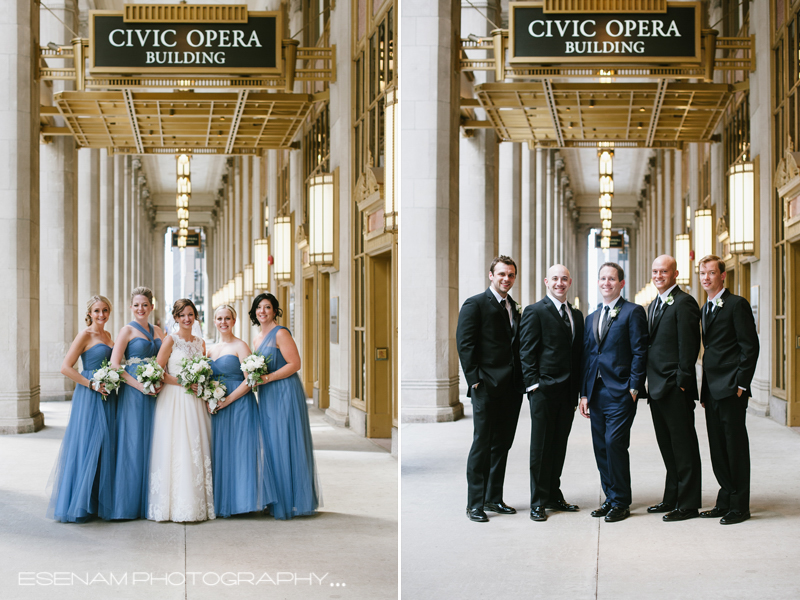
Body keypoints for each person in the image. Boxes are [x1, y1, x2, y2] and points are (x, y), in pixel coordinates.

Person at [456, 255, 524, 523]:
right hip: (486, 385)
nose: (506, 279)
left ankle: (494, 498)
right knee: (482, 445)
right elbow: (465, 344)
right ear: (491, 275)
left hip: (512, 387)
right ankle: (475, 503)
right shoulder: (475, 304)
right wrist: (475, 380)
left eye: (510, 275)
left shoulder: (514, 307)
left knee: (502, 445)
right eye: (501, 274)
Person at [579, 263, 648, 523]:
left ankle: (621, 501)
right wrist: (584, 394)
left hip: (621, 391)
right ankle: (610, 497)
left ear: (621, 283)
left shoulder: (633, 312)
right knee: (600, 446)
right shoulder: (592, 317)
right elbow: (588, 357)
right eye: (602, 278)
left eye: (611, 279)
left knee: (614, 443)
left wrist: (634, 387)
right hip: (596, 392)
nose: (606, 283)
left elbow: (640, 351)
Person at [697, 255, 759, 525]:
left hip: (732, 389)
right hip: (711, 389)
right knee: (717, 447)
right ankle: (725, 498)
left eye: (711, 273)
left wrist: (741, 384)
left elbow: (750, 346)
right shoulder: (705, 307)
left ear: (723, 276)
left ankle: (740, 506)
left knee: (735, 447)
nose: (706, 278)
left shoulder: (737, 304)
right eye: (703, 273)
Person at [519, 264, 584, 522]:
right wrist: (534, 385)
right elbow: (526, 351)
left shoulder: (576, 315)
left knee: (558, 446)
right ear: (547, 281)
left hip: (567, 393)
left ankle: (553, 494)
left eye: (564, 279)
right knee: (541, 448)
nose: (560, 283)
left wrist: (580, 392)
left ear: (570, 282)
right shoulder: (535, 311)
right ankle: (537, 501)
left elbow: (578, 354)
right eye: (555, 278)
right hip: (544, 392)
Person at [47, 295, 117, 522]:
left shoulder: (108, 335)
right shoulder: (85, 335)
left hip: (108, 395)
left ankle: (96, 501)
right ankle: (79, 504)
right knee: (87, 444)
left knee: (106, 445)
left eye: (105, 310)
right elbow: (66, 367)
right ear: (89, 313)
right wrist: (92, 384)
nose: (101, 315)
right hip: (89, 395)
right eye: (97, 311)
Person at [251, 292, 320, 519]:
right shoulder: (257, 338)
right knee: (271, 444)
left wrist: (268, 379)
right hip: (267, 393)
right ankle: (276, 498)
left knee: (285, 441)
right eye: (259, 308)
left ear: (275, 310)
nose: (263, 311)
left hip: (284, 392)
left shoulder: (280, 333)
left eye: (267, 307)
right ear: (254, 312)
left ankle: (292, 501)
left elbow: (295, 363)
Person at [146, 299, 215, 522]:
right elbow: (158, 372)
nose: (187, 319)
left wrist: (201, 384)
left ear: (195, 317)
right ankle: (171, 505)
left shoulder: (201, 343)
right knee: (176, 446)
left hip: (194, 401)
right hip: (174, 399)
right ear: (175, 318)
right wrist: (183, 382)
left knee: (194, 446)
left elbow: (205, 371)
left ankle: (195, 503)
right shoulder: (170, 341)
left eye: (190, 314)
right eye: (182, 315)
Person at [646, 254, 702, 521]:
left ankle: (689, 503)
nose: (658, 276)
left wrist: (682, 383)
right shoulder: (652, 305)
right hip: (656, 388)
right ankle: (672, 497)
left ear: (675, 274)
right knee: (667, 447)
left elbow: (689, 347)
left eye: (664, 272)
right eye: (655, 271)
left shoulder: (685, 302)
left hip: (674, 388)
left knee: (684, 447)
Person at [207, 304, 275, 517]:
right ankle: (225, 500)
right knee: (222, 451)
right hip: (218, 406)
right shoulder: (210, 350)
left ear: (234, 321)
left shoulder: (241, 346)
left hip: (239, 405)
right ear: (214, 321)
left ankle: (244, 502)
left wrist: (228, 400)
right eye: (219, 319)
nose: (223, 322)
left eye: (227, 318)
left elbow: (250, 381)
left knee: (241, 451)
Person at [108, 287, 164, 519]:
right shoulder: (126, 331)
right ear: (131, 307)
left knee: (154, 442)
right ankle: (128, 505)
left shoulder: (158, 330)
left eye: (145, 304)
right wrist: (140, 385)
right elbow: (114, 366)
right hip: (133, 393)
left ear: (152, 306)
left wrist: (160, 381)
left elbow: (165, 359)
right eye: (137, 305)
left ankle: (151, 501)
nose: (141, 308)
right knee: (132, 442)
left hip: (157, 392)